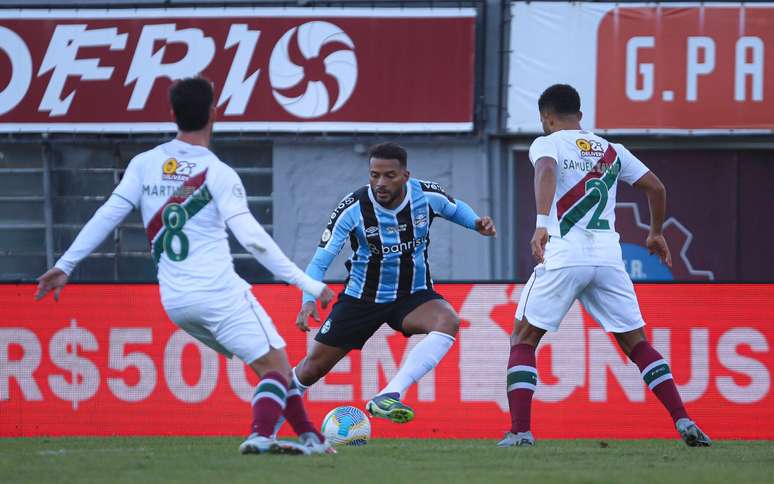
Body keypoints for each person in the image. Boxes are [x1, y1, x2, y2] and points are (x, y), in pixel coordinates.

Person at [34, 77, 335, 456]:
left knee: (269, 368)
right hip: (219, 293)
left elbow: (107, 214)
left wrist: (65, 264)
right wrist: (306, 281)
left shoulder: (145, 165)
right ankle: (262, 435)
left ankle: (313, 439)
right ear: (214, 114)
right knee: (277, 370)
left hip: (175, 301)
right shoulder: (218, 173)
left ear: (173, 114)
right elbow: (254, 239)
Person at [498, 84, 711, 447]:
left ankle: (520, 431)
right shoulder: (613, 150)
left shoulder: (546, 143)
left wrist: (541, 224)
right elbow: (656, 188)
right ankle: (684, 420)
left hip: (564, 256)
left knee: (524, 338)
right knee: (637, 343)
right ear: (580, 116)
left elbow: (546, 170)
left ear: (546, 119)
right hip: (608, 259)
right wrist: (656, 232)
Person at [290, 142, 496, 424]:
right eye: (374, 175)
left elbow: (454, 208)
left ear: (405, 176)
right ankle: (265, 422)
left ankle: (388, 395)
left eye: (389, 175)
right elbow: (319, 261)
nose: (380, 183)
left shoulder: (426, 195)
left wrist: (475, 223)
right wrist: (308, 299)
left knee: (448, 320)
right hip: (362, 298)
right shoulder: (353, 208)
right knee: (311, 369)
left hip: (412, 294)